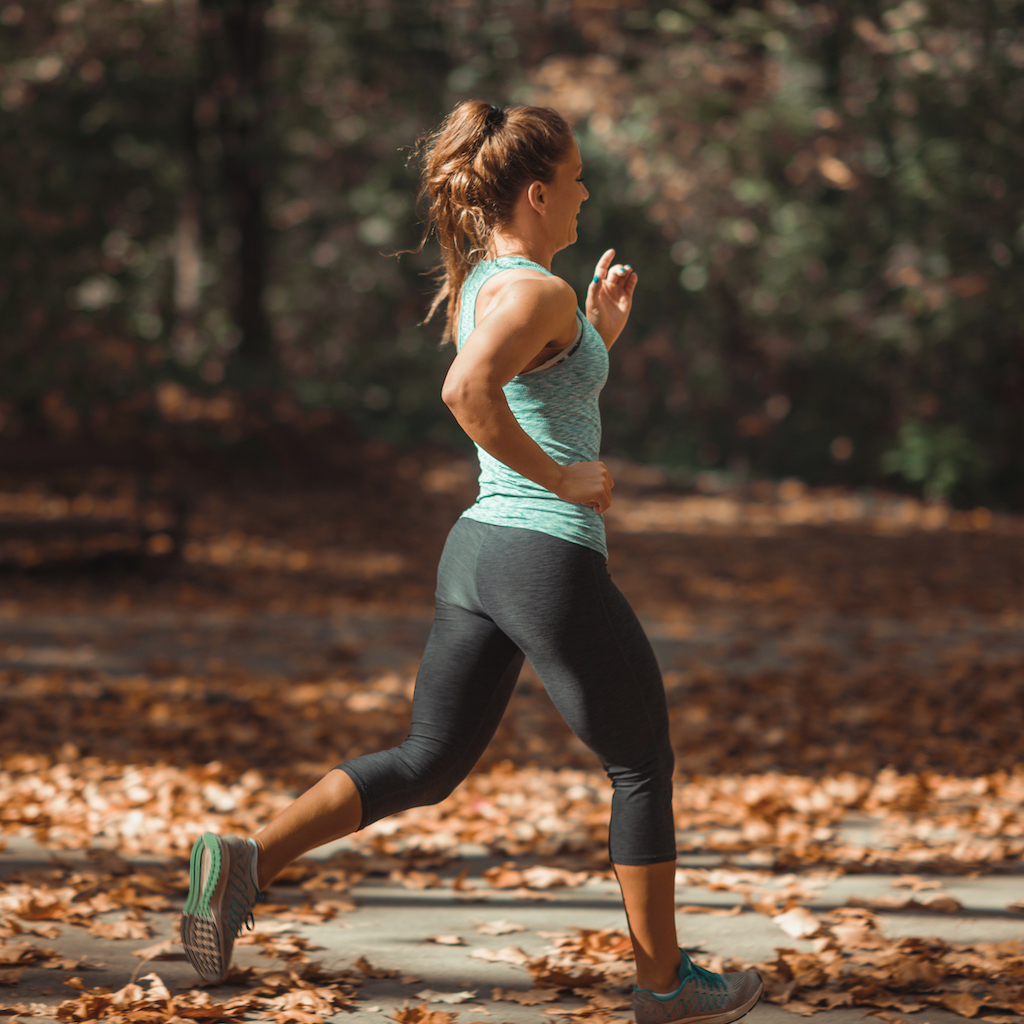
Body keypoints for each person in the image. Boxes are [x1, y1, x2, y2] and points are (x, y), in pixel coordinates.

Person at [180, 99, 762, 1024]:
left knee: (426, 761)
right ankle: (665, 989)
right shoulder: (537, 292)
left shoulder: (495, 282)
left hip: (478, 554)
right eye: (575, 180)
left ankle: (249, 859)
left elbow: (532, 390)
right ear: (537, 191)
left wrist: (600, 339)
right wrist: (564, 481)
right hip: (542, 555)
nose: (584, 194)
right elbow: (468, 390)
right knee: (642, 763)